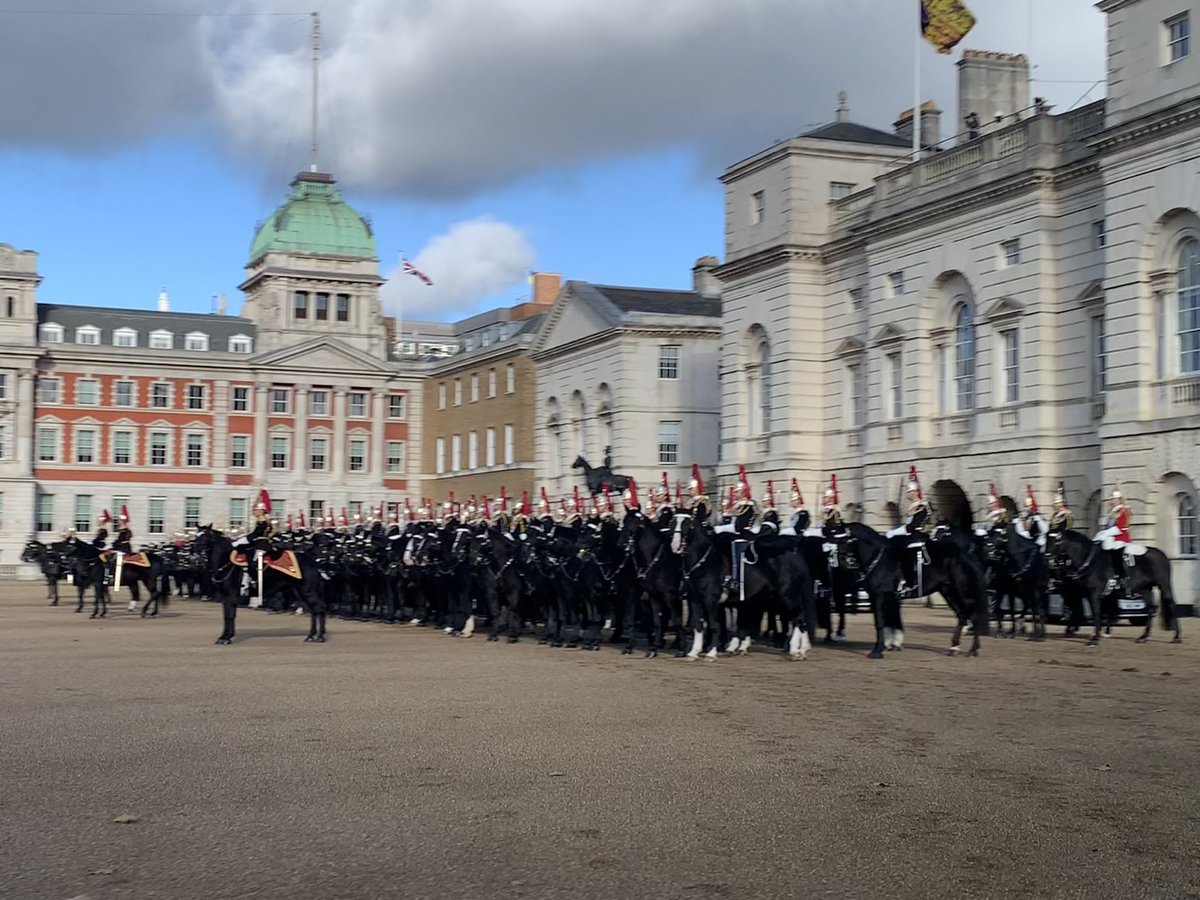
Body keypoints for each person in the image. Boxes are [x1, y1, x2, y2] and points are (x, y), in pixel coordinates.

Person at [821, 475, 846, 539]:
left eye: (825, 497)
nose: (823, 499)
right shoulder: (826, 510)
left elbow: (831, 525)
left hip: (833, 535)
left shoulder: (833, 511)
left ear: (831, 499)